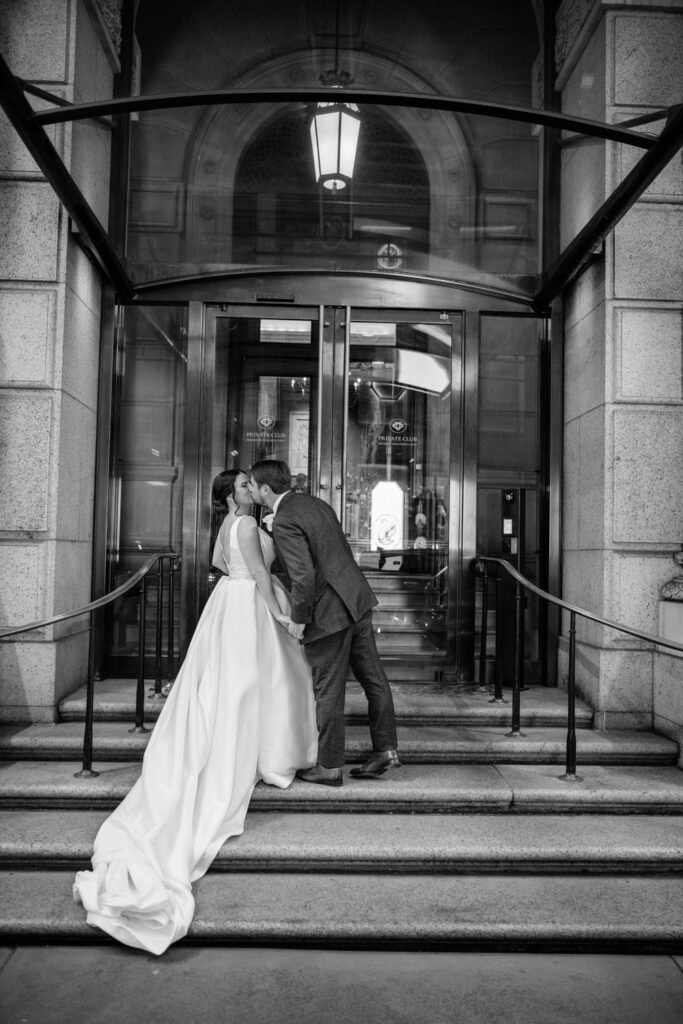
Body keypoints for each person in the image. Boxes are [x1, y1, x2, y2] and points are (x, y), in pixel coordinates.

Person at [73, 470, 317, 955]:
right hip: (248, 606)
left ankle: (259, 742)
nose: (251, 490)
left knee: (237, 686)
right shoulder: (246, 526)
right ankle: (263, 750)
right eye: (244, 486)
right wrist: (283, 618)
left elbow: (219, 566)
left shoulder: (228, 528)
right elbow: (263, 578)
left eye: (252, 484)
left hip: (227, 604)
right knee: (253, 683)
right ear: (230, 497)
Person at [249, 459, 401, 787]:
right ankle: (385, 749)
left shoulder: (285, 517)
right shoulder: (315, 503)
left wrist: (300, 620)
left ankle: (329, 766)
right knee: (374, 678)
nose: (251, 490)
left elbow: (303, 576)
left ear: (264, 488)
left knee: (327, 689)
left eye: (252, 484)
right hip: (356, 598)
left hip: (329, 612)